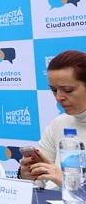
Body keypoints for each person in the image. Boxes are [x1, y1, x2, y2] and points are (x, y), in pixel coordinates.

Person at [19, 50, 86, 187]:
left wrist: (70, 182)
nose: (58, 97)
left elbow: (60, 179)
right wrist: (28, 176)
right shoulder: (59, 123)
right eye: (54, 90)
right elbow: (42, 182)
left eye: (67, 90)